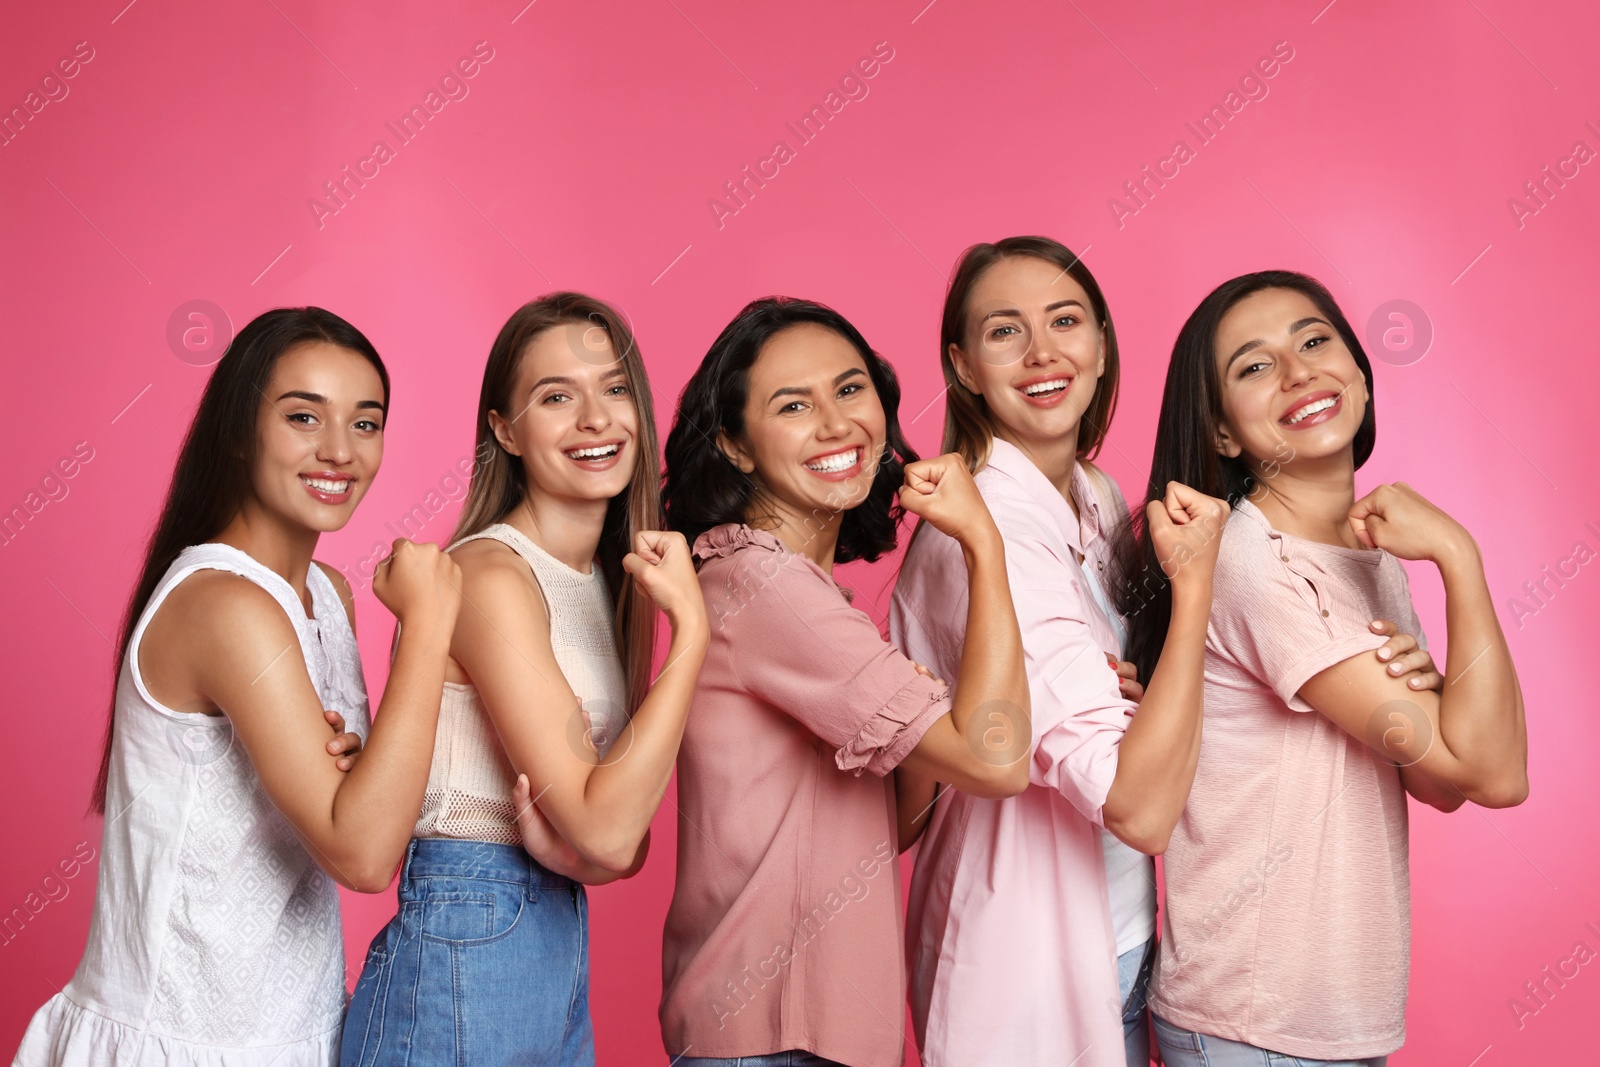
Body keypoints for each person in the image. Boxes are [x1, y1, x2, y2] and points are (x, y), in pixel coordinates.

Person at [14, 307, 461, 1066]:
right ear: (238, 429)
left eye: (366, 422)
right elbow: (362, 853)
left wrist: (358, 774)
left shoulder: (325, 596)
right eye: (302, 416)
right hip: (186, 1042)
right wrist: (428, 627)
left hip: (295, 1029)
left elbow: (371, 813)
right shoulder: (227, 605)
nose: (338, 450)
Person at [1114, 270, 1529, 1066]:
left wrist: (1442, 665)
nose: (1299, 371)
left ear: (1360, 376)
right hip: (1254, 1019)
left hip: (1339, 1019)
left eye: (1313, 341)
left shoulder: (1370, 560)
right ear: (1225, 434)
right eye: (1254, 366)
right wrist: (1460, 554)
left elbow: (1457, 780)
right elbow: (1487, 766)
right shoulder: (1250, 560)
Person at [657, 296, 1033, 1067]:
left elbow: (881, 833)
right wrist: (983, 543)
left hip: (811, 1032)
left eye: (851, 388)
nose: (837, 424)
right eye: (793, 405)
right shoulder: (764, 586)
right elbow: (997, 759)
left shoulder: (800, 593)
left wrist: (925, 722)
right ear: (733, 444)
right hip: (776, 1036)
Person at [341, 293, 707, 1067]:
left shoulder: (604, 582)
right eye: (555, 396)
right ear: (504, 429)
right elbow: (606, 823)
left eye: (613, 389)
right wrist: (693, 639)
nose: (595, 419)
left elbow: (618, 830)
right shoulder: (492, 577)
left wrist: (585, 854)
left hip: (545, 932)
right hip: (465, 938)